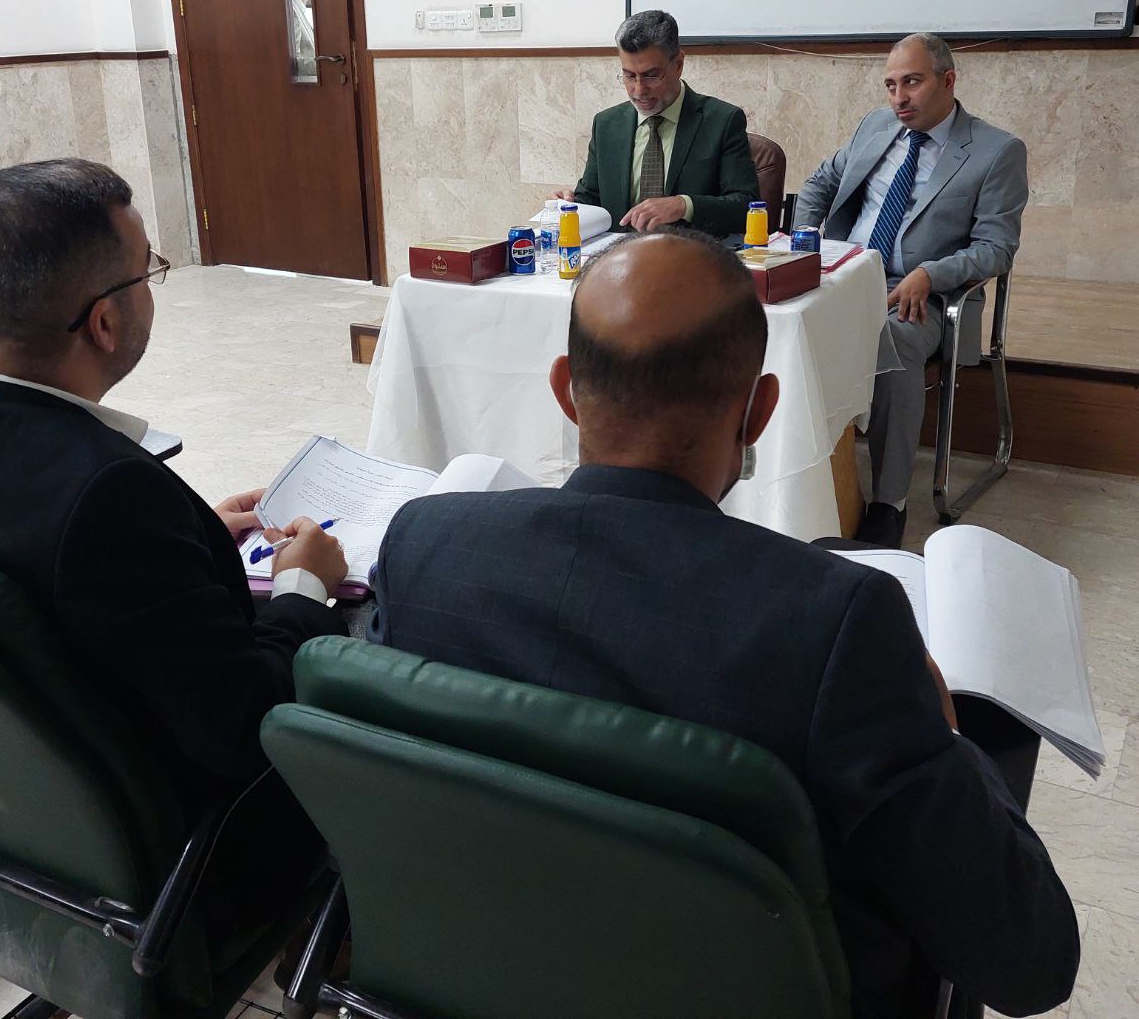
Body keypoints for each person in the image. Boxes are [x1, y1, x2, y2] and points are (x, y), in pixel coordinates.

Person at [371, 230, 1077, 1019]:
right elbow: (1030, 961)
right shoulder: (839, 627)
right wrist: (945, 738)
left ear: (566, 391)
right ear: (761, 410)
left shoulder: (425, 547)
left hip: (482, 977)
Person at [0, 158, 347, 919]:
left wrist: (192, 543)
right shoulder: (114, 496)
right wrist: (303, 586)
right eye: (148, 271)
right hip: (159, 869)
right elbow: (243, 728)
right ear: (105, 322)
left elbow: (23, 548)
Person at [794, 33, 1027, 547]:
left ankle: (888, 503)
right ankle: (796, 472)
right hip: (844, 274)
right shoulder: (875, 127)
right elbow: (817, 185)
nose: (898, 98)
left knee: (893, 340)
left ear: (948, 80)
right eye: (890, 85)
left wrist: (932, 273)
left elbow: (997, 248)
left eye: (912, 83)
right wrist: (807, 245)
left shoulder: (996, 151)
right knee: (774, 319)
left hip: (925, 293)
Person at [556, 9, 759, 236]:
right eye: (629, 76)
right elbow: (591, 199)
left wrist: (684, 205)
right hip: (619, 254)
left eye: (651, 76)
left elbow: (746, 207)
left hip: (690, 253)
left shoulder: (722, 121)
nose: (639, 90)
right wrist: (569, 205)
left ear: (678, 64)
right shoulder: (607, 125)